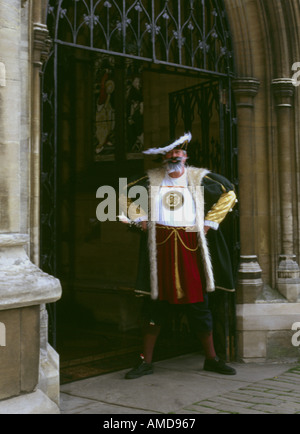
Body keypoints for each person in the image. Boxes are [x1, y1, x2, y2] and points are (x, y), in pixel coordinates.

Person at [119, 132, 237, 379]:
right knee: (154, 305)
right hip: (160, 246)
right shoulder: (150, 180)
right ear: (164, 158)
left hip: (190, 246)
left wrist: (209, 223)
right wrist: (140, 219)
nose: (174, 157)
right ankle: (146, 362)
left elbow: (230, 194)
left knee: (199, 305)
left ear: (185, 156)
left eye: (178, 153)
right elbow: (121, 194)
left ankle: (212, 359)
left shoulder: (200, 178)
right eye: (170, 154)